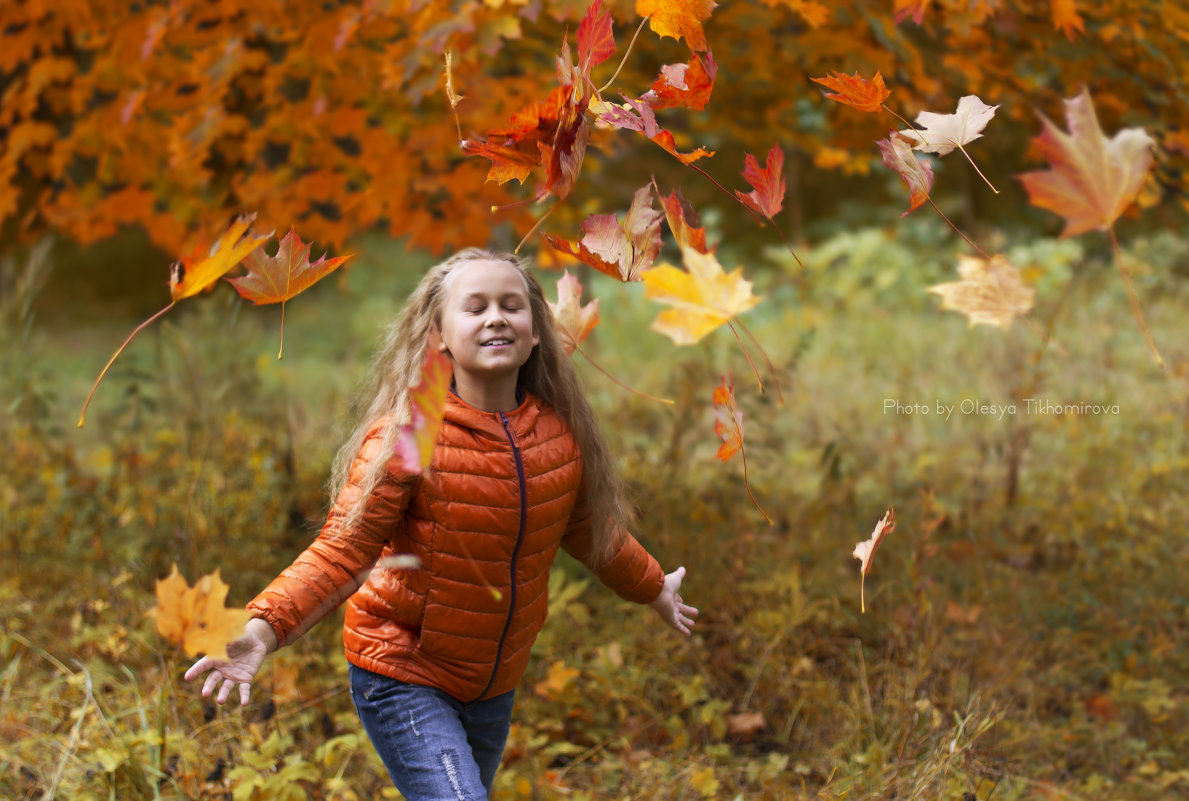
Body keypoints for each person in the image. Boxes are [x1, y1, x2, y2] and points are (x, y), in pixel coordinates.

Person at [184, 248, 697, 800]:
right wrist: (261, 628)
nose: (496, 317)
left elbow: (596, 537)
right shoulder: (406, 438)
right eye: (474, 307)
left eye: (511, 306)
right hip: (404, 672)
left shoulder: (556, 437)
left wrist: (653, 587)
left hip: (493, 683)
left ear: (535, 334)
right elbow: (342, 551)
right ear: (439, 338)